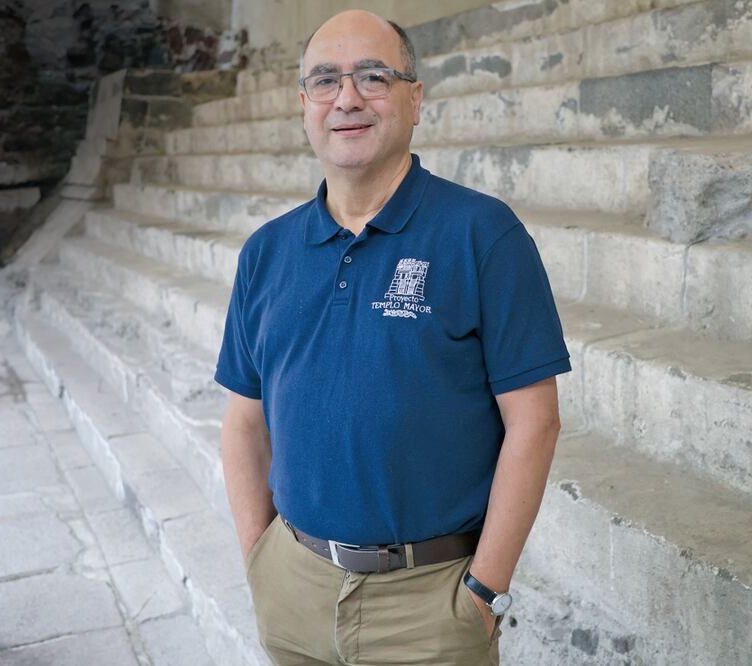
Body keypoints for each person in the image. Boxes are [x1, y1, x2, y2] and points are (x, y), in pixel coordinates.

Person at [215, 9, 570, 665]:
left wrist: (483, 591)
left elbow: (535, 422)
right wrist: (258, 559)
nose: (346, 98)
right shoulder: (266, 253)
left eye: (372, 76)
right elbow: (243, 421)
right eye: (326, 81)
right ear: (304, 105)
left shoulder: (483, 235)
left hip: (429, 604)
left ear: (414, 98)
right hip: (293, 590)